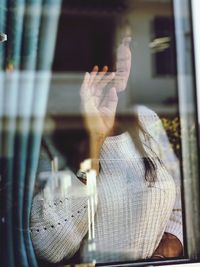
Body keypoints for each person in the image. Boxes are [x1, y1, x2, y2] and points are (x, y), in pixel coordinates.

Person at [30, 34, 183, 264]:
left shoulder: (146, 118)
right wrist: (95, 140)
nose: (123, 56)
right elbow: (48, 246)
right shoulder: (48, 135)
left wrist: (165, 250)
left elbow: (180, 211)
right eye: (112, 42)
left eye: (128, 43)